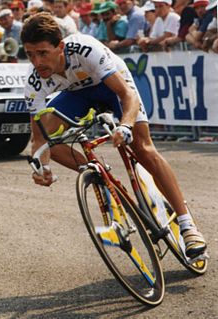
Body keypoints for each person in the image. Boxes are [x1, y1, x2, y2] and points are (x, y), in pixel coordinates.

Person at [21, 12, 207, 260]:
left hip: (112, 88)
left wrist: (126, 126)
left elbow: (126, 95)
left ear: (60, 47)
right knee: (48, 140)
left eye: (43, 53)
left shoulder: (85, 49)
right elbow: (38, 139)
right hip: (78, 95)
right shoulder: (34, 81)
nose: (37, 62)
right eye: (30, 54)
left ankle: (187, 226)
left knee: (143, 149)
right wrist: (41, 168)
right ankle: (98, 173)